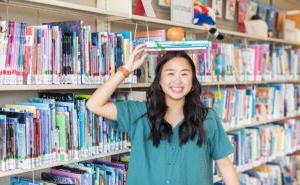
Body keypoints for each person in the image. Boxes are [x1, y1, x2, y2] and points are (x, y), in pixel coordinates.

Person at [87, 44, 240, 185]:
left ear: (193, 82)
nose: (177, 81)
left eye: (184, 74)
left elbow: (225, 166)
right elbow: (94, 104)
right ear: (159, 80)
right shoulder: (138, 114)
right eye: (170, 73)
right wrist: (127, 68)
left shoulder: (207, 118)